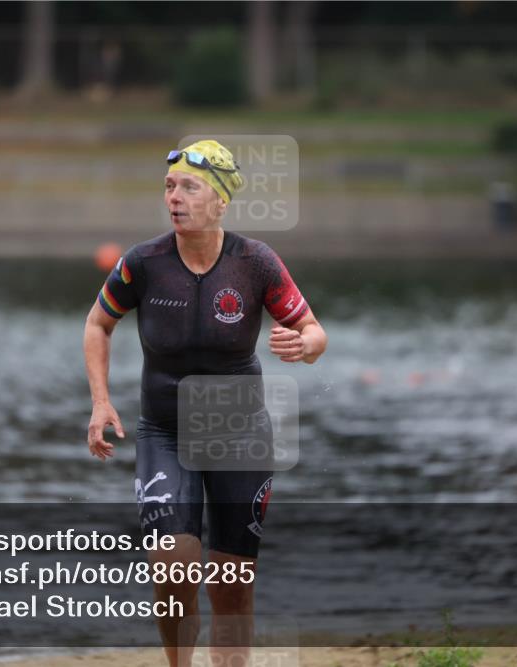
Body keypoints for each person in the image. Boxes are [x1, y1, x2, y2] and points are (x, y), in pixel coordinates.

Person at [83, 139, 327, 667]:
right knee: (173, 564)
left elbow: (313, 331)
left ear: (220, 201)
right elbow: (98, 324)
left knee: (232, 582)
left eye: (189, 187)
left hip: (240, 434)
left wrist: (304, 345)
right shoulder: (143, 263)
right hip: (165, 432)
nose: (175, 197)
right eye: (170, 186)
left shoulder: (255, 262)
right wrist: (101, 402)